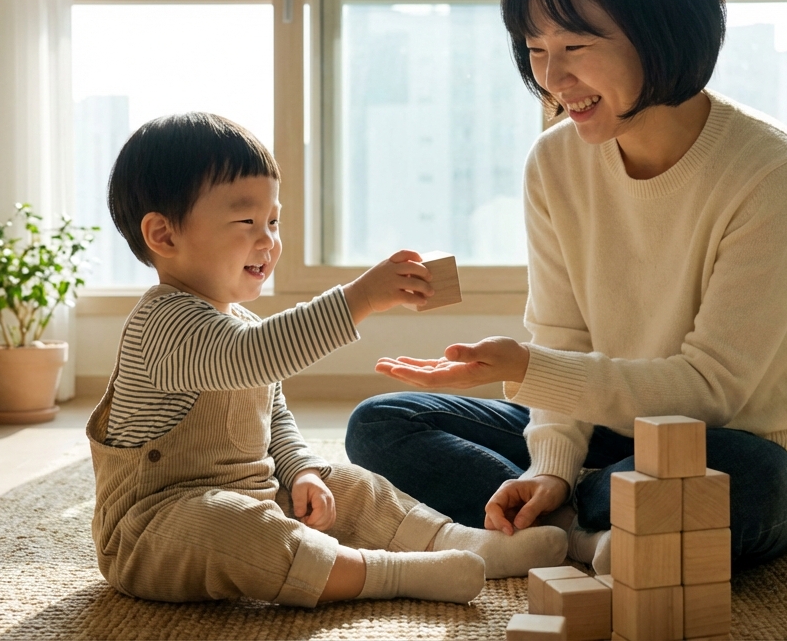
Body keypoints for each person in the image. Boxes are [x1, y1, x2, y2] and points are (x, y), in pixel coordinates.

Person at [348, 0, 787, 575]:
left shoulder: (772, 172)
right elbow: (564, 337)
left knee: (752, 485)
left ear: (661, 24)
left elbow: (710, 389)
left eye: (574, 44)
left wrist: (526, 370)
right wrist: (549, 467)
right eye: (535, 47)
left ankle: (573, 520)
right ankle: (582, 527)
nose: (551, 76)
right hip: (601, 434)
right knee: (381, 424)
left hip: (731, 442)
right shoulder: (555, 161)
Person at [87, 112, 567, 607]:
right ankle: (391, 574)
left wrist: (301, 472)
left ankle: (460, 543)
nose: (268, 239)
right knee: (229, 525)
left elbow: (275, 421)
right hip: (156, 529)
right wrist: (359, 298)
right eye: (246, 221)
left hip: (256, 498)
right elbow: (251, 357)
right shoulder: (162, 324)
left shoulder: (243, 324)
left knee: (353, 486)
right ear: (164, 236)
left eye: (273, 221)